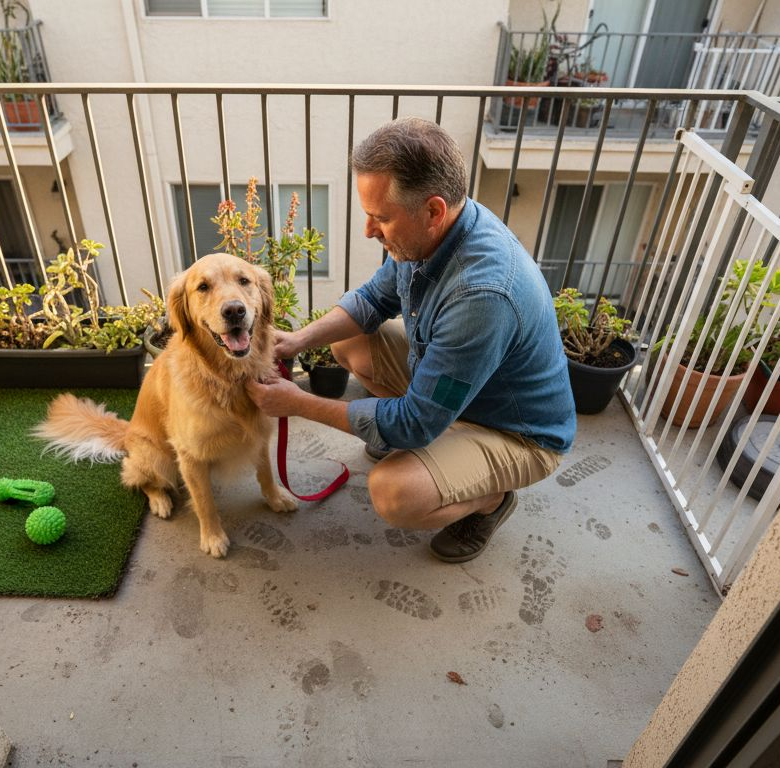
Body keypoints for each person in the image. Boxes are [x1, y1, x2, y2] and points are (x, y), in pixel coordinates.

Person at [246, 117, 575, 563]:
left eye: (380, 217)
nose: (368, 230)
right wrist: (297, 342)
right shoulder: (430, 232)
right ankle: (429, 449)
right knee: (348, 342)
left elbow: (415, 422)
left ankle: (492, 500)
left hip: (516, 431)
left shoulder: (483, 295)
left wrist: (297, 402)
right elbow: (372, 301)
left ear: (433, 211)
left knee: (395, 493)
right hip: (457, 386)